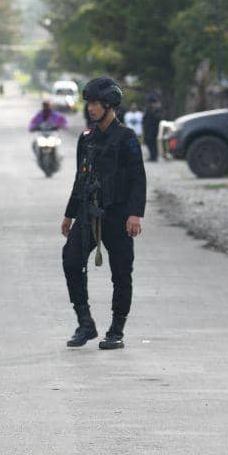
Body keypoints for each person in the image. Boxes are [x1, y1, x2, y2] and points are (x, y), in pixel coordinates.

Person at [61, 77, 146, 350]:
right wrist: (69, 214)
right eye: (90, 104)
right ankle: (85, 323)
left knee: (121, 272)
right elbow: (79, 178)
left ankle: (117, 329)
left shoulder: (127, 139)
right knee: (72, 260)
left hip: (118, 214)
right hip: (88, 213)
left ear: (110, 106)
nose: (92, 109)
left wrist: (135, 215)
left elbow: (138, 179)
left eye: (97, 104)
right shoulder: (86, 140)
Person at [142, 95, 162, 162]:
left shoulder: (157, 110)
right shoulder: (148, 109)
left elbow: (158, 118)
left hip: (154, 129)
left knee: (153, 142)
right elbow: (145, 118)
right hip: (148, 129)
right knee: (149, 142)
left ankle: (154, 156)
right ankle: (152, 155)